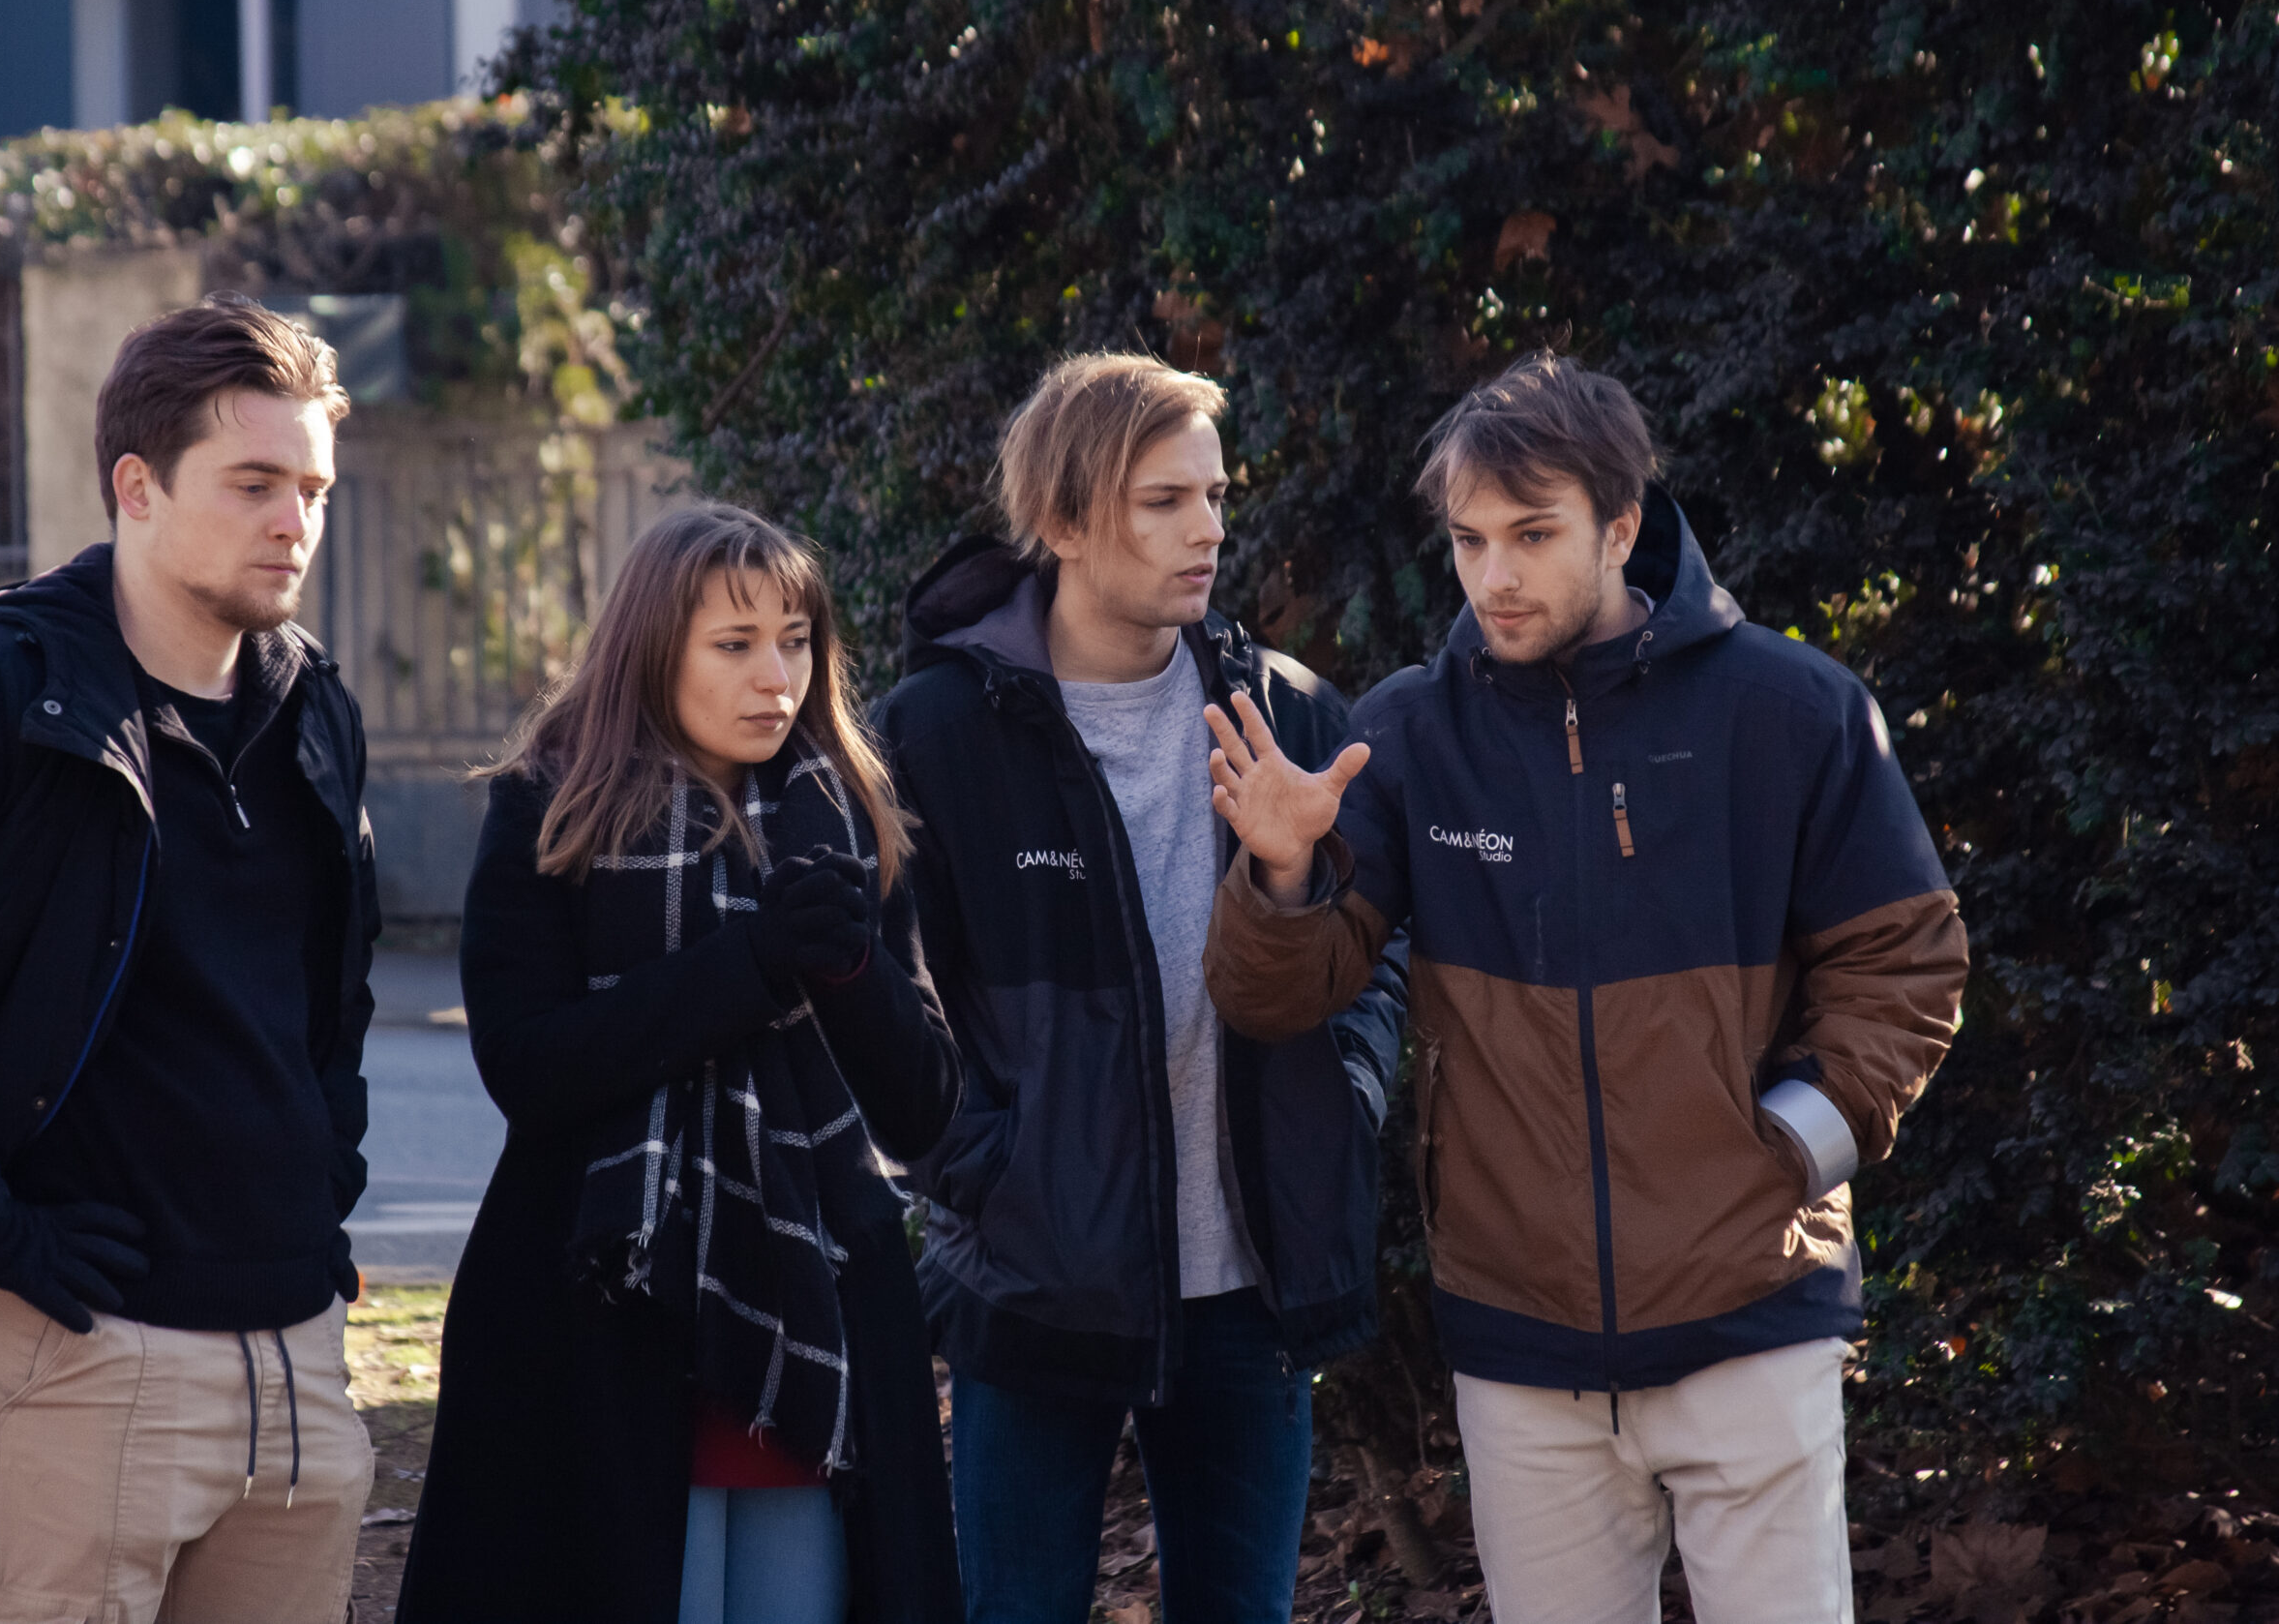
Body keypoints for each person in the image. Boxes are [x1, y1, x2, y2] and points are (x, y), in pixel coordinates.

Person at [1200, 350, 1972, 1622]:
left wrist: (1793, 1140)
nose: (1494, 574)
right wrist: (1280, 873)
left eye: (1534, 533)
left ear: (1622, 525)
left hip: (1755, 1311)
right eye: (1468, 538)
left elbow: (1910, 957)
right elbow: (1281, 994)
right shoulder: (1404, 733)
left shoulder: (1793, 709)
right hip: (1520, 1343)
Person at [0, 292, 379, 1619]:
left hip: (299, 1369)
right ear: (138, 485)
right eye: (253, 482)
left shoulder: (311, 707)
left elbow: (329, 1006)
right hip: (75, 1361)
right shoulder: (2, 687)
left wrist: (321, 1195)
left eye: (314, 486)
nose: (294, 520)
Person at [876, 353, 1408, 1624]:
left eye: (1217, 494)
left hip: (1250, 1283)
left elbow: (1375, 945)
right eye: (1165, 500)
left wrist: (1352, 1084)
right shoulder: (939, 732)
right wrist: (980, 1167)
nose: (1211, 528)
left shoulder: (1281, 708)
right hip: (1031, 1276)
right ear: (1063, 521)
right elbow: (885, 994)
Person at [396, 502, 965, 1624]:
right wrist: (751, 962)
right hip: (604, 1319)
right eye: (735, 644)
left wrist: (848, 962)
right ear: (655, 652)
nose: (777, 678)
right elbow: (529, 1066)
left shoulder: (847, 819)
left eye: (797, 640)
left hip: (814, 1321)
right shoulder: (551, 810)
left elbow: (922, 1108)